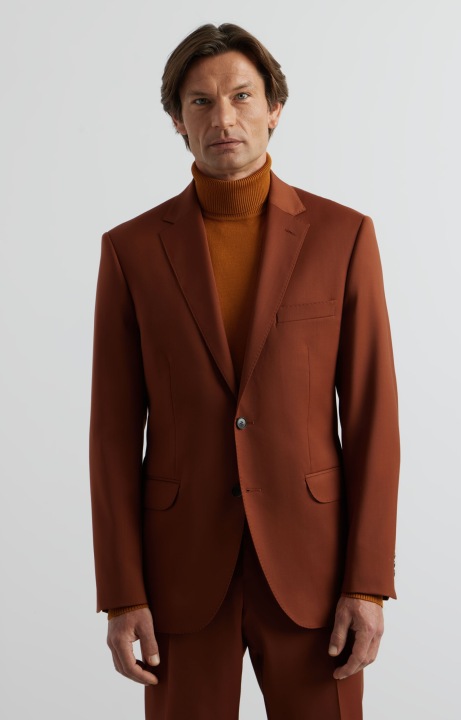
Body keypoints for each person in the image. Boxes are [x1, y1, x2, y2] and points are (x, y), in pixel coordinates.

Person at [89, 22, 400, 720]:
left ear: (274, 108)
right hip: (178, 574)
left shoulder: (342, 236)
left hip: (315, 573)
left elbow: (373, 417)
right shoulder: (131, 250)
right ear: (177, 120)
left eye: (240, 96)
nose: (222, 118)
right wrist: (122, 592)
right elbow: (111, 435)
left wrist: (367, 583)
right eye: (199, 101)